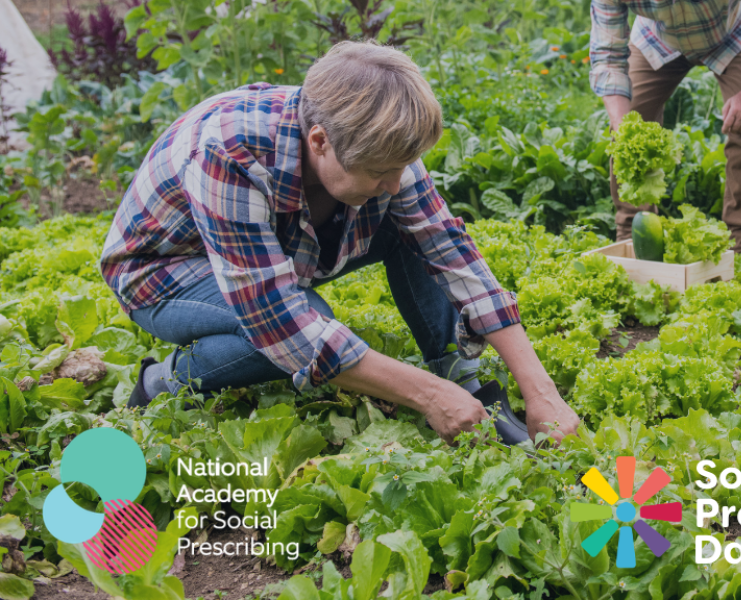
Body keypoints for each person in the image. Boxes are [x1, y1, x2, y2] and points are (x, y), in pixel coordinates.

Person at [98, 41, 580, 446]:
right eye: (379, 172)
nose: (396, 183)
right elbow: (282, 325)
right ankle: (164, 381)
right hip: (164, 270)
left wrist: (541, 391)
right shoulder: (228, 153)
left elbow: (448, 247)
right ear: (320, 140)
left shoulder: (372, 141)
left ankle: (457, 370)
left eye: (402, 168)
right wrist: (426, 395)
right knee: (303, 323)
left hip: (276, 247)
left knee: (407, 224)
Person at [590, 0, 741, 251]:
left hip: (732, 33)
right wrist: (624, 129)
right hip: (658, 37)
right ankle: (635, 240)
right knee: (629, 127)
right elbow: (607, 56)